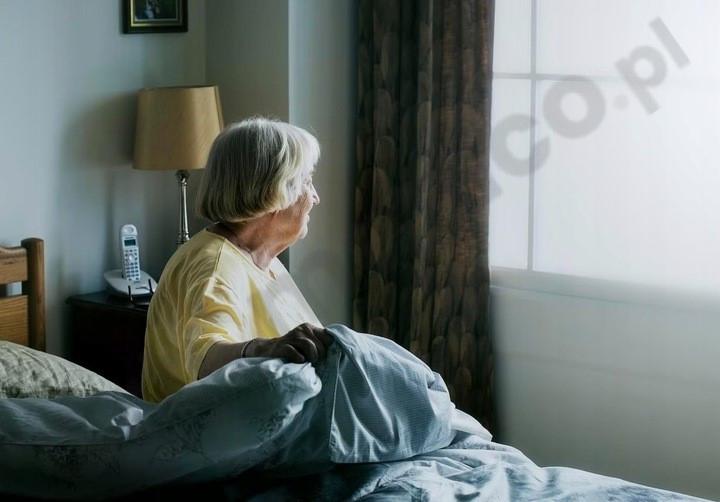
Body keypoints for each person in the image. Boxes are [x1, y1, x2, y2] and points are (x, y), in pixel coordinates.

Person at [141, 117, 332, 403]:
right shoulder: (214, 265)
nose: (315, 197)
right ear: (274, 189)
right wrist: (265, 349)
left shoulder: (261, 259)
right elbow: (205, 361)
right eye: (307, 181)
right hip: (208, 428)